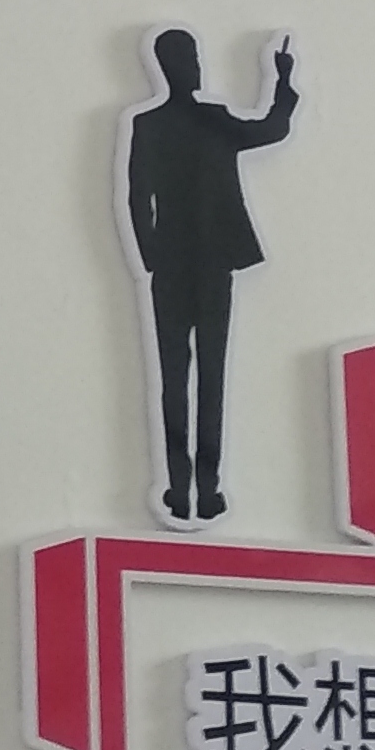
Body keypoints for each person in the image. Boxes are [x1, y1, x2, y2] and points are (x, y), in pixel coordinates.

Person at [122, 29, 299, 527]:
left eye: (194, 56)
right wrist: (149, 255)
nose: (194, 65)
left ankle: (201, 486)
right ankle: (187, 487)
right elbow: (136, 195)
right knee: (188, 378)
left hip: (197, 263)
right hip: (188, 263)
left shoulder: (198, 119)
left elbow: (270, 130)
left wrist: (282, 82)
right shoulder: (164, 123)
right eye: (187, 58)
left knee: (195, 377)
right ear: (168, 65)